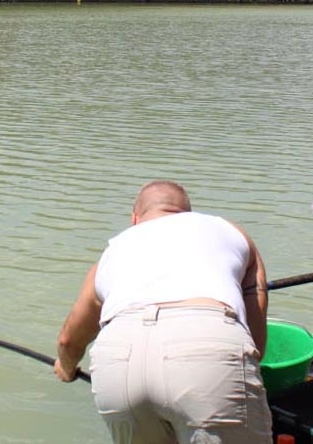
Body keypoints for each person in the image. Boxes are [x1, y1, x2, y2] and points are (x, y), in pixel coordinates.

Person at [54, 180, 272, 444]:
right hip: (206, 343)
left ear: (135, 219)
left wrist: (66, 368)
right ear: (188, 214)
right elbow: (255, 338)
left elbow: (69, 340)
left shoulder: (111, 253)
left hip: (120, 357)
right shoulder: (230, 232)